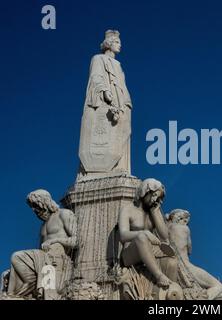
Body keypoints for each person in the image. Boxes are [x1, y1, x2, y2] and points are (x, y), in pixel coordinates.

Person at [78, 30, 132, 178]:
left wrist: (126, 103)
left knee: (125, 131)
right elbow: (95, 77)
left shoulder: (119, 65)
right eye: (117, 42)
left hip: (121, 103)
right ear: (109, 44)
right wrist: (103, 91)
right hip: (107, 101)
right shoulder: (98, 59)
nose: (120, 46)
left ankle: (119, 166)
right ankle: (100, 170)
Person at [7, 190, 77, 297]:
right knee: (7, 273)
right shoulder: (43, 226)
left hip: (57, 259)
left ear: (45, 203)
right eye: (33, 208)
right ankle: (28, 287)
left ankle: (27, 287)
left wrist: (54, 240)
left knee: (17, 256)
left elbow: (76, 241)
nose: (35, 210)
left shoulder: (64, 214)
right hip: (42, 258)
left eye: (37, 206)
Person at [118, 179, 177, 288]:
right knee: (141, 237)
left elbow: (164, 237)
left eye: (158, 197)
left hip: (149, 250)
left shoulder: (153, 211)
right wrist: (144, 233)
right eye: (154, 195)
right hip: (130, 254)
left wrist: (155, 213)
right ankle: (159, 276)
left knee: (172, 262)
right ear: (145, 192)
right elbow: (123, 235)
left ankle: (170, 291)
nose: (155, 200)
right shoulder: (128, 210)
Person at [166, 209, 222, 300]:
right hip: (187, 267)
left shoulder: (165, 228)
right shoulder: (185, 229)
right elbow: (190, 250)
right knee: (218, 286)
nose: (186, 223)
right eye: (185, 220)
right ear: (179, 218)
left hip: (169, 266)